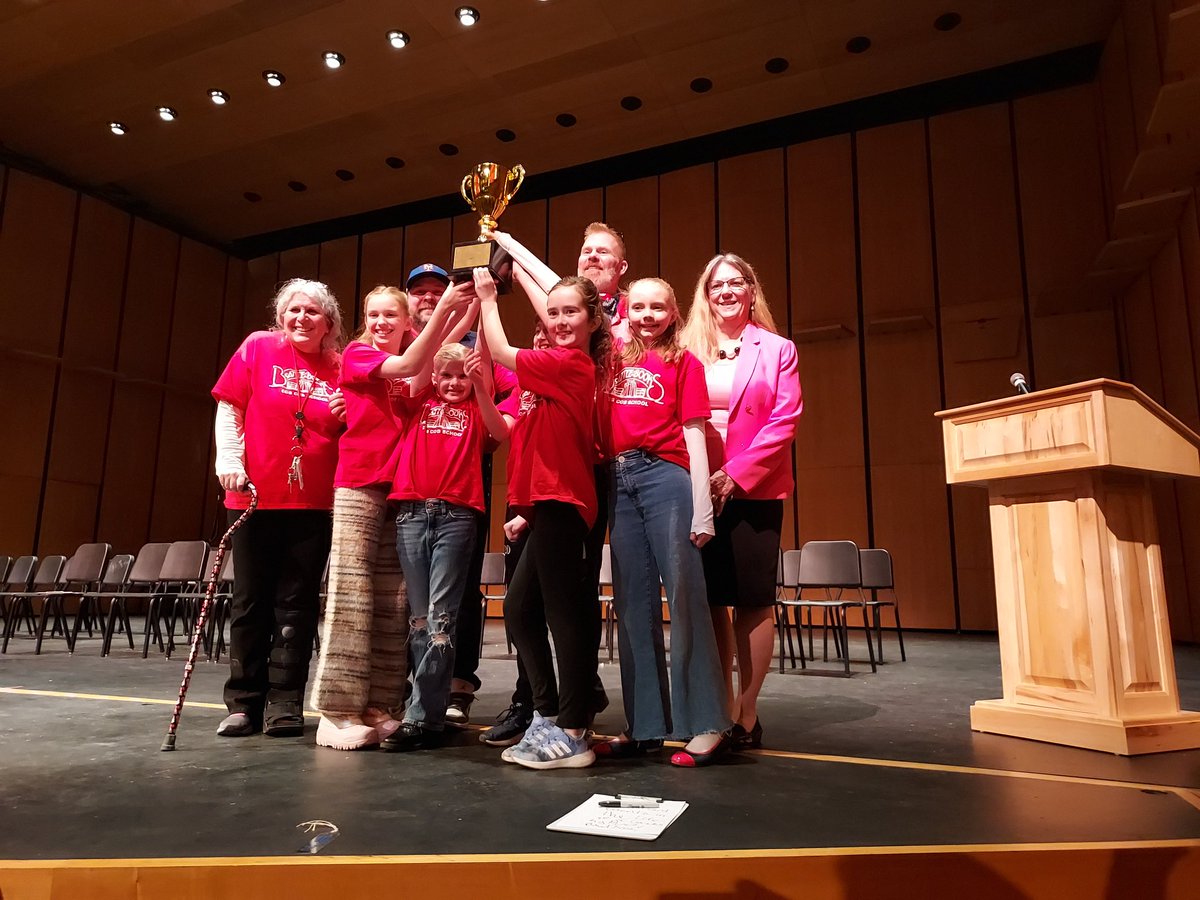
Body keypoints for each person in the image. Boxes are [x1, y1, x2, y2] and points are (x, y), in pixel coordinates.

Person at [311, 283, 474, 751]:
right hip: (359, 484)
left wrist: (471, 310)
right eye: (374, 314)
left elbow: (428, 361)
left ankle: (379, 703)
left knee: (392, 603)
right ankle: (336, 709)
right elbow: (407, 365)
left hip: (400, 493)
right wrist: (444, 305)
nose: (381, 323)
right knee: (351, 593)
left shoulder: (412, 359)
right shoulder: (360, 354)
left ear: (407, 322)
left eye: (391, 316)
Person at [592, 277, 731, 767]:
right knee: (633, 604)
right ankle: (645, 724)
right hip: (619, 479)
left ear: (673, 314)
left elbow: (695, 435)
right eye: (639, 307)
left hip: (665, 476)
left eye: (658, 308)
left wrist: (703, 510)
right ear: (624, 312)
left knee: (686, 595)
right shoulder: (611, 361)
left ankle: (708, 721)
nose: (647, 315)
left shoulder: (683, 362)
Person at [474, 267, 609, 770]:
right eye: (552, 313)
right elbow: (535, 444)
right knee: (519, 611)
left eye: (570, 311)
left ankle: (574, 730)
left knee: (563, 615)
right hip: (543, 508)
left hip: (565, 504)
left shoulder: (571, 365)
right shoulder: (540, 382)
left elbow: (506, 353)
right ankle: (548, 713)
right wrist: (527, 514)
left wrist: (489, 297)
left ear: (593, 319)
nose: (559, 320)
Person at [679, 254, 802, 751]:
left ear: (751, 290)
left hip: (754, 488)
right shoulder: (686, 347)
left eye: (735, 283)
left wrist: (736, 472)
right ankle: (719, 704)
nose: (726, 291)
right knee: (709, 600)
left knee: (751, 601)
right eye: (716, 285)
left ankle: (747, 713)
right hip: (695, 487)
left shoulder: (777, 349)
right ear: (705, 295)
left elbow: (785, 419)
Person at [212, 278, 344, 738]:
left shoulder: (340, 366)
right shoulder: (257, 348)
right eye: (293, 310)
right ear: (280, 316)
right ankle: (243, 702)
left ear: (329, 322)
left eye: (312, 311)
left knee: (298, 604)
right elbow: (230, 407)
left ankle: (285, 701)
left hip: (314, 502)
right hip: (253, 496)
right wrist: (228, 461)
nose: (301, 318)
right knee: (250, 601)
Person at [404, 261, 516, 728]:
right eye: (422, 292)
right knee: (416, 612)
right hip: (410, 503)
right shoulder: (416, 363)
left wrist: (482, 301)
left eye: (439, 290)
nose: (430, 297)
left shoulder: (476, 377)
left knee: (450, 605)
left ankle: (442, 696)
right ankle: (416, 694)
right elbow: (414, 371)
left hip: (461, 500)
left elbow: (501, 398)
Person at [381, 342, 508, 751]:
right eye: (447, 376)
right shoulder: (417, 403)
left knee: (440, 621)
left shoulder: (476, 409)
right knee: (419, 621)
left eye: (462, 376)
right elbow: (417, 369)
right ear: (435, 378)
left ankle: (419, 716)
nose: (455, 383)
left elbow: (501, 432)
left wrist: (482, 386)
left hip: (456, 518)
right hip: (412, 514)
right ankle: (430, 714)